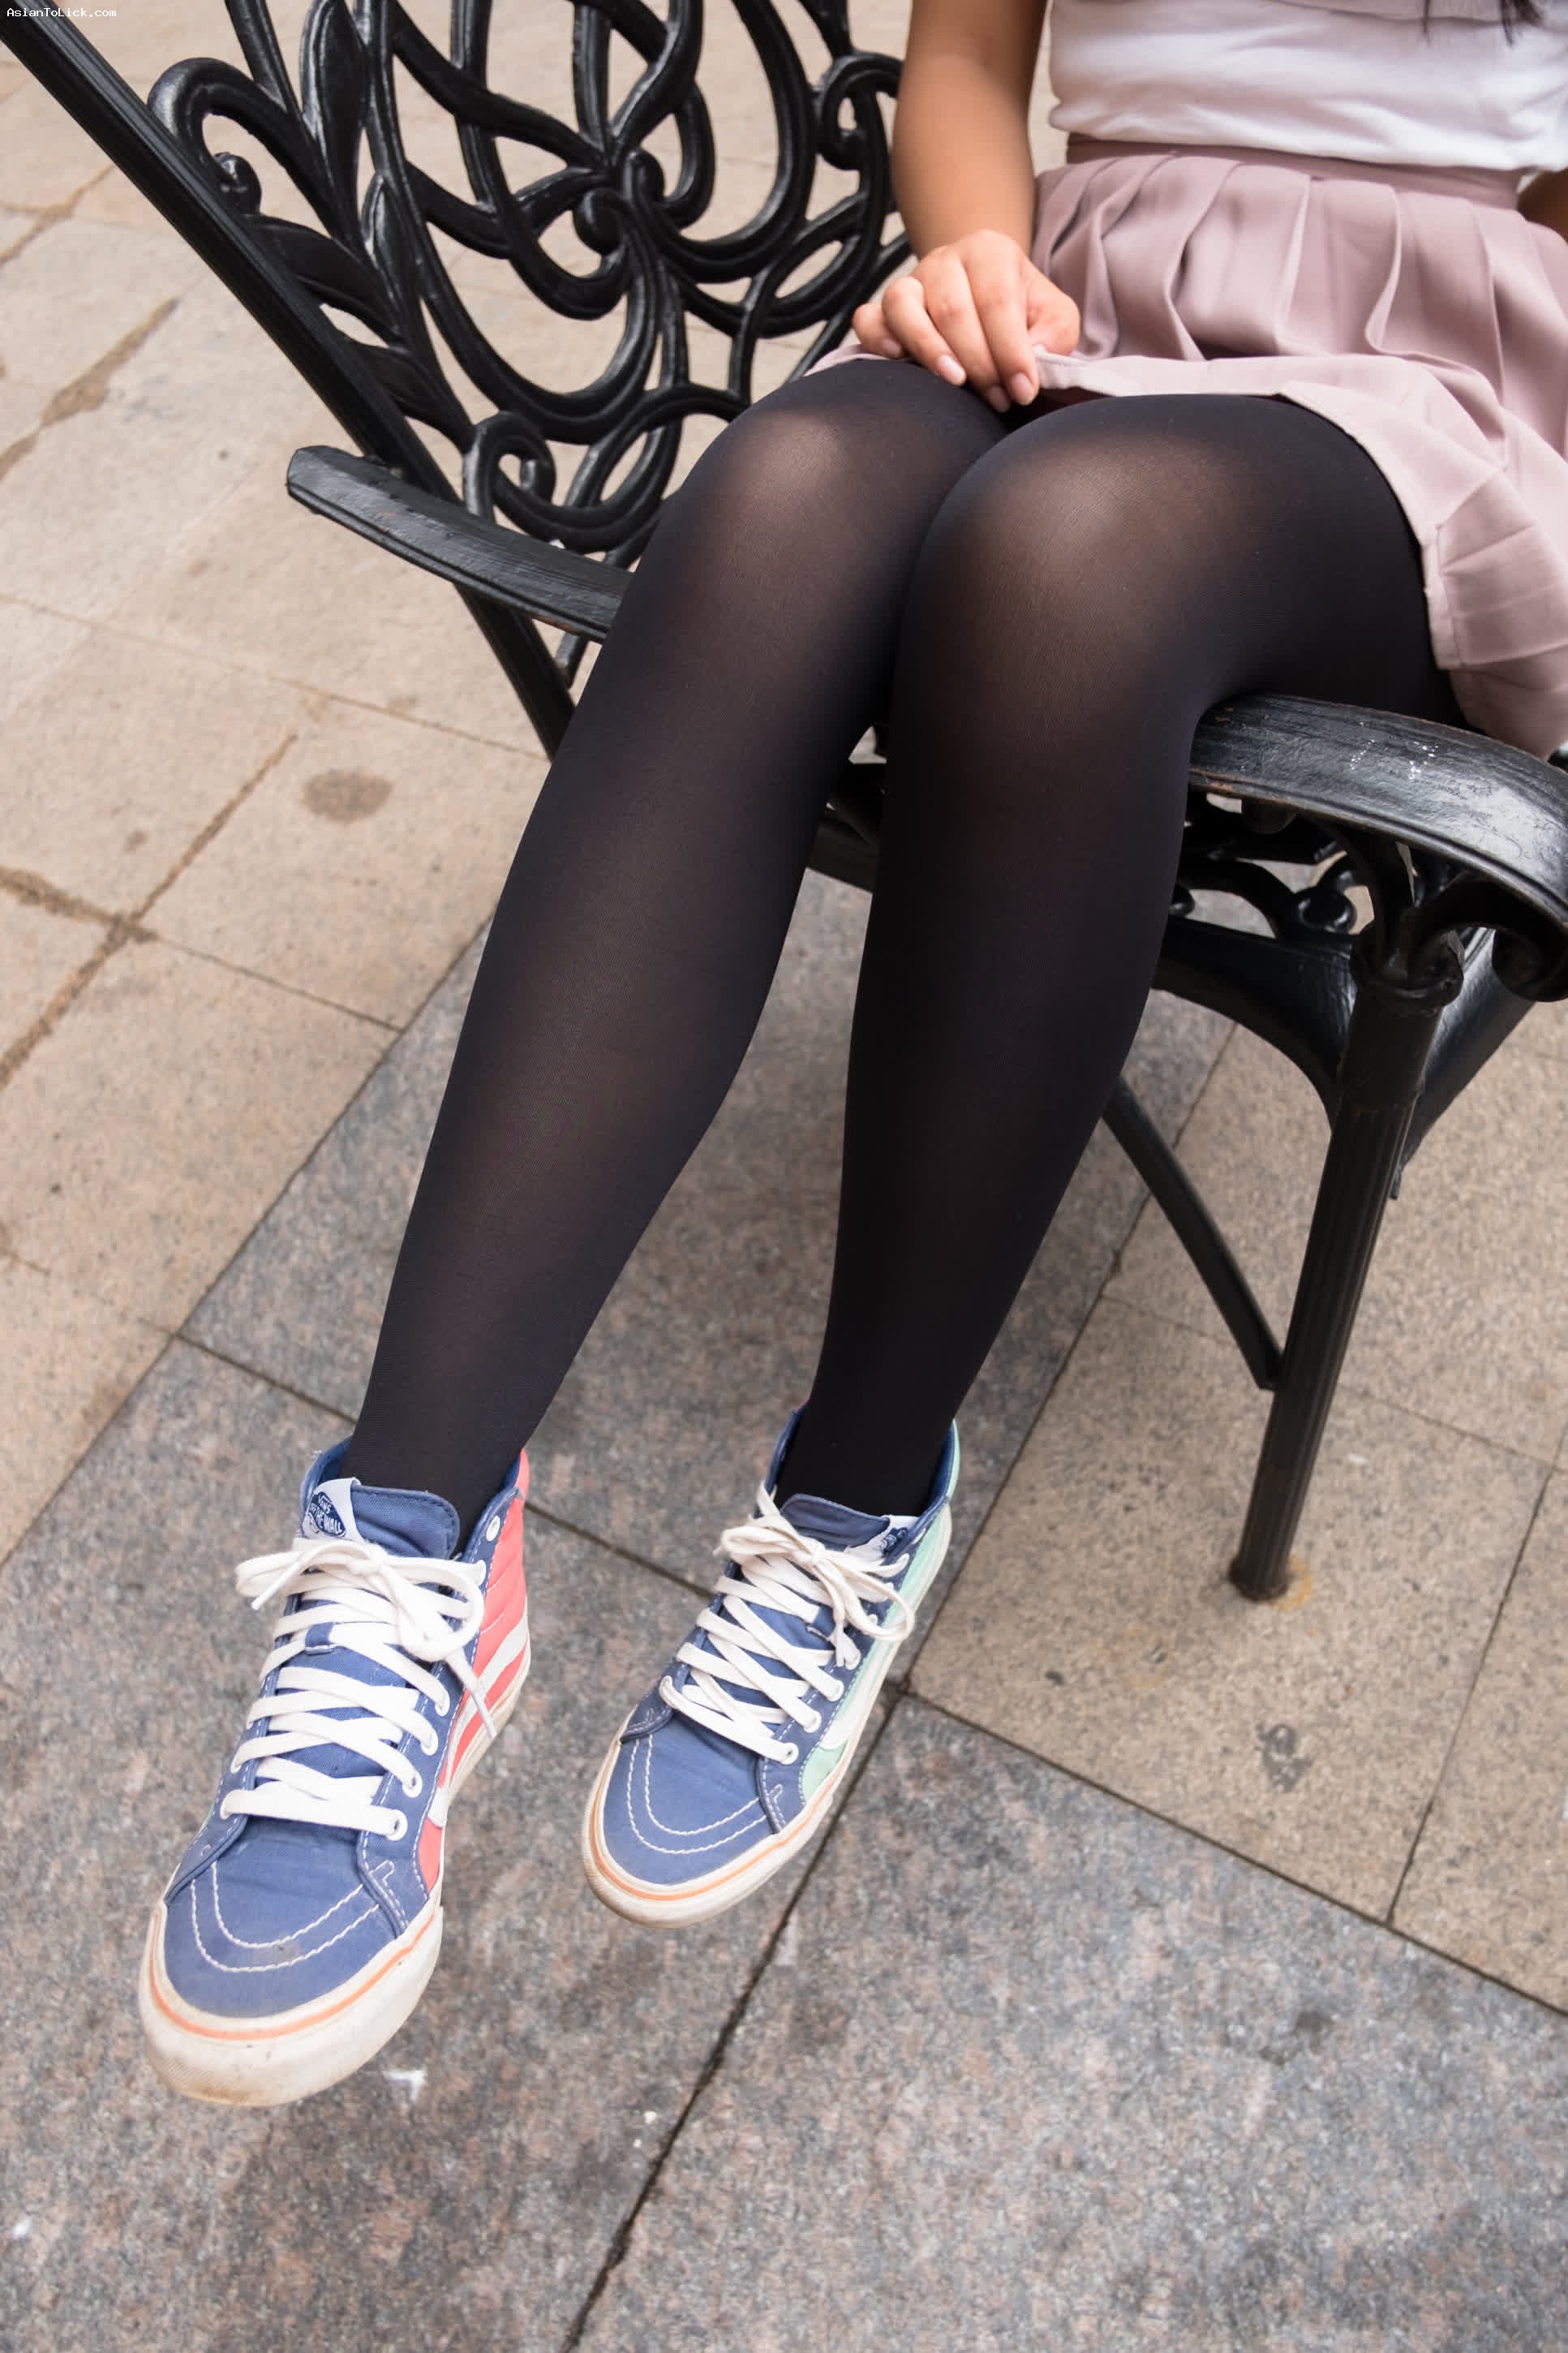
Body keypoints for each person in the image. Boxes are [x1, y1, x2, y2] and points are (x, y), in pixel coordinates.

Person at [137, 0, 1568, 2106]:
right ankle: (410, 1540)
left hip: (1437, 355)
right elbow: (971, 64)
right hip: (1087, 270)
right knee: (784, 487)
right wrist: (977, 246)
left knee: (1057, 558)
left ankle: (858, 1501)